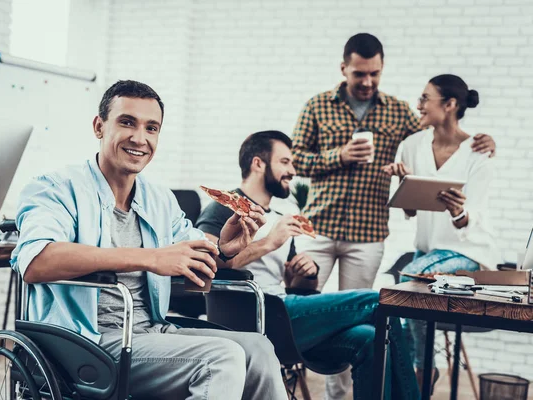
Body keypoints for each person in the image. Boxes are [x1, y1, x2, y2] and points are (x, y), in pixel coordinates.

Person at [10, 80, 288, 400]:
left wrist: (223, 249)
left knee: (258, 349)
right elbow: (35, 262)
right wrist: (150, 257)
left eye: (151, 128)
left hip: (150, 332)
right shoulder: (54, 187)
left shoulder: (159, 199)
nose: (139, 138)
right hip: (84, 342)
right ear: (99, 126)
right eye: (127, 122)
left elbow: (194, 257)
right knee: (221, 360)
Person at [291, 32, 496, 398]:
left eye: (375, 74)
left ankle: (344, 396)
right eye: (359, 74)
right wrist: (339, 156)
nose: (367, 82)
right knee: (304, 311)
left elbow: (439, 138)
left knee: (353, 320)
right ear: (344, 69)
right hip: (318, 226)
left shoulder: (400, 112)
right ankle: (301, 384)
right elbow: (296, 159)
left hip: (368, 233)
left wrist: (482, 140)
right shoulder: (317, 106)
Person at [196, 130, 420, 400]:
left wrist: (306, 273)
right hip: (251, 317)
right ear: (258, 164)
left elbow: (296, 287)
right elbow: (205, 263)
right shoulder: (223, 207)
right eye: (285, 162)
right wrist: (269, 242)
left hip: (283, 313)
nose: (293, 170)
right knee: (380, 302)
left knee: (371, 338)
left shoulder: (278, 217)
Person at [383, 74, 500, 392]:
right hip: (427, 254)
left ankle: (419, 371)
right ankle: (413, 376)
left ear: (449, 105)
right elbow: (410, 211)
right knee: (409, 297)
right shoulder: (411, 145)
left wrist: (458, 212)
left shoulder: (479, 150)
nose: (418, 105)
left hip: (469, 253)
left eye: (425, 98)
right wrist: (403, 185)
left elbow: (471, 218)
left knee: (409, 283)